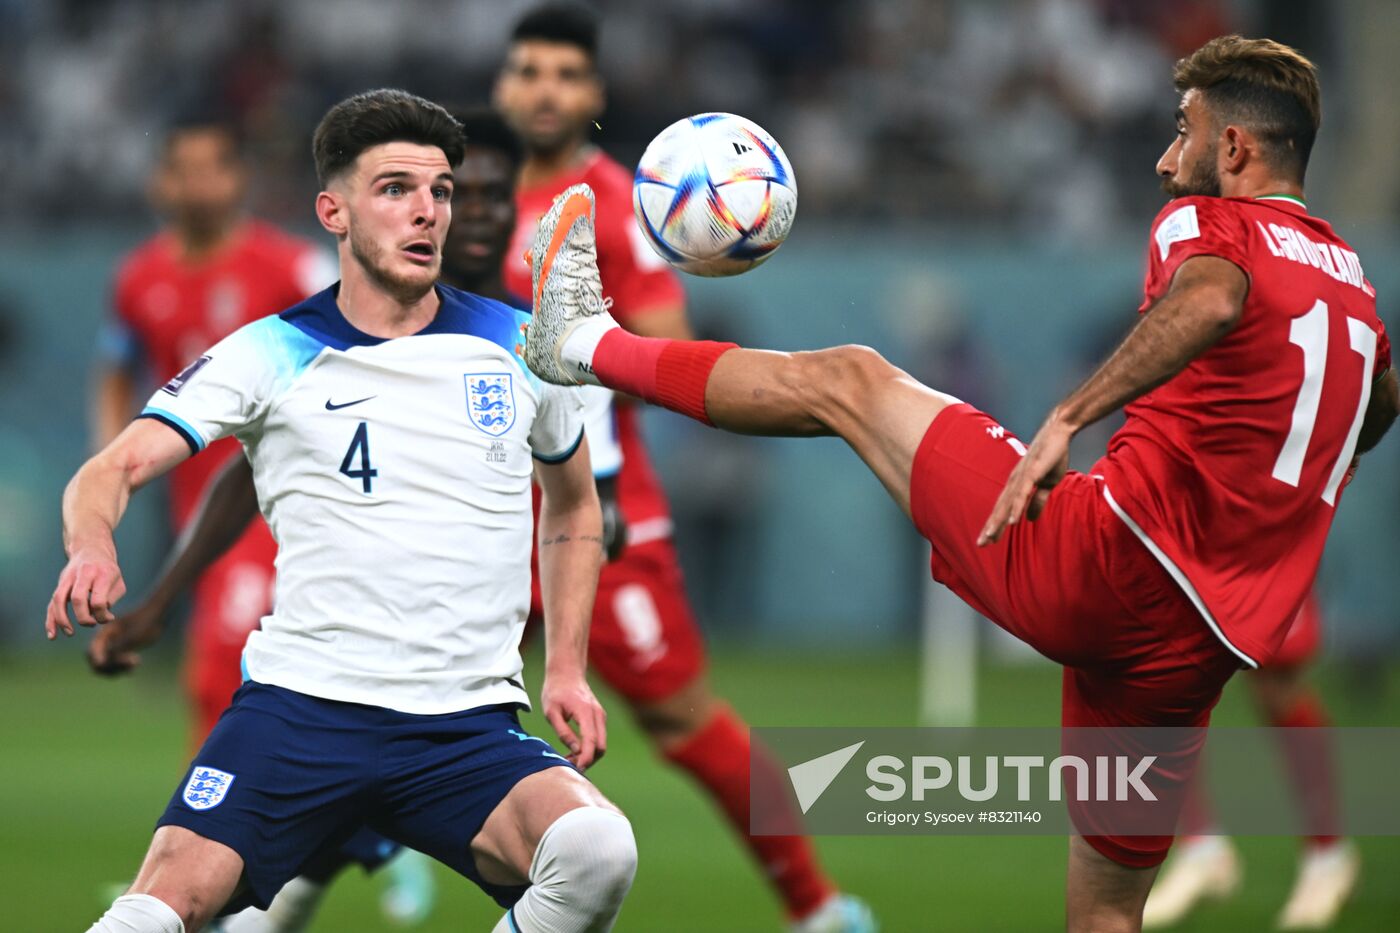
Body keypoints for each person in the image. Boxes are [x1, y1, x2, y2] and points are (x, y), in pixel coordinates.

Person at [520, 36, 1398, 932]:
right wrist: (1333, 451)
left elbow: (1209, 298)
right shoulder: (1358, 291)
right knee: (1106, 912)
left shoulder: (1209, 224)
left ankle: (584, 343)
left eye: (1186, 131)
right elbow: (1381, 402)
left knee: (849, 379)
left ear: (1238, 150)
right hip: (1197, 648)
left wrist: (1070, 413)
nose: (1170, 157)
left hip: (1102, 559)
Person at [52, 89, 637, 933]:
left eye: (439, 191)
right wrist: (92, 544)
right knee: (155, 911)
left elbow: (575, 507)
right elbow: (112, 468)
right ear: (334, 210)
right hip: (300, 711)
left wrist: (568, 667)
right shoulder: (271, 350)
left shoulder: (522, 346)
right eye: (395, 188)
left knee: (597, 851)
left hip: (461, 728)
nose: (428, 211)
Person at [495, 8, 876, 931]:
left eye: (564, 74)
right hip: (482, 513)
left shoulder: (624, 206)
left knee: (685, 721)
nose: (544, 88)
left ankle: (818, 907)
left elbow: (668, 348)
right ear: (506, 87)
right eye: (529, 70)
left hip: (602, 508)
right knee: (410, 702)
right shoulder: (470, 197)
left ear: (592, 96)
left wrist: (577, 339)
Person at [91, 117, 432, 930]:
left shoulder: (290, 265)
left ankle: (205, 883)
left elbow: (367, 336)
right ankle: (353, 839)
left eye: (215, 166)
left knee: (222, 676)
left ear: (238, 178)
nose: (199, 183)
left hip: (286, 504)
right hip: (200, 508)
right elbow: (116, 368)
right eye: (184, 167)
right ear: (161, 184)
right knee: (224, 689)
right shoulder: (138, 278)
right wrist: (119, 457)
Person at [1143, 593, 1358, 930]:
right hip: (1181, 543)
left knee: (1277, 683)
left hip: (1262, 545)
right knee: (1164, 672)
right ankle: (1201, 851)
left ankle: (1327, 857)